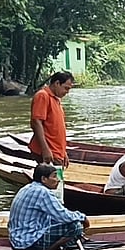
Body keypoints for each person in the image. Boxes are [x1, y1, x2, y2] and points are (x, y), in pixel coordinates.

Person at [8, 163, 89, 250]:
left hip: (16, 239)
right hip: (29, 241)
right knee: (76, 226)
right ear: (44, 179)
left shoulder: (26, 188)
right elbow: (64, 216)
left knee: (57, 221)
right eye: (54, 176)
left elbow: (55, 216)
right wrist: (83, 217)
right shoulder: (43, 192)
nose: (58, 180)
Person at [29, 71, 74, 201]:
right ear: (56, 83)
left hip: (56, 150)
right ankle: (53, 212)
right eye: (66, 88)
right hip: (49, 151)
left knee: (55, 186)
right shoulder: (43, 96)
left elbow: (56, 128)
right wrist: (45, 149)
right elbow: (36, 122)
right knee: (53, 188)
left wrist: (63, 151)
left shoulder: (55, 99)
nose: (67, 92)